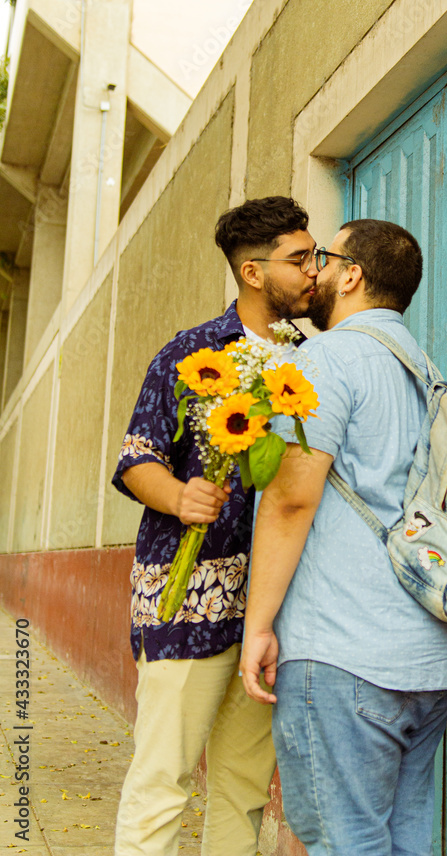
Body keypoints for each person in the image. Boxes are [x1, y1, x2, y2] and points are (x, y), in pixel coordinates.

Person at [241, 218, 447, 856]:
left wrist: (257, 625)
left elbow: (290, 499)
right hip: (432, 658)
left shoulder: (321, 360)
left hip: (346, 654)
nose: (312, 270)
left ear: (353, 275)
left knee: (345, 843)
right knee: (400, 841)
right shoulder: (428, 375)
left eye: (324, 257)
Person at [113, 196, 317, 856]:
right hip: (185, 603)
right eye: (300, 258)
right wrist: (179, 496)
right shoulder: (190, 351)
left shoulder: (312, 359)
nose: (315, 270)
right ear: (254, 272)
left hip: (271, 610)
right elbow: (135, 458)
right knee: (163, 778)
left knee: (242, 784)